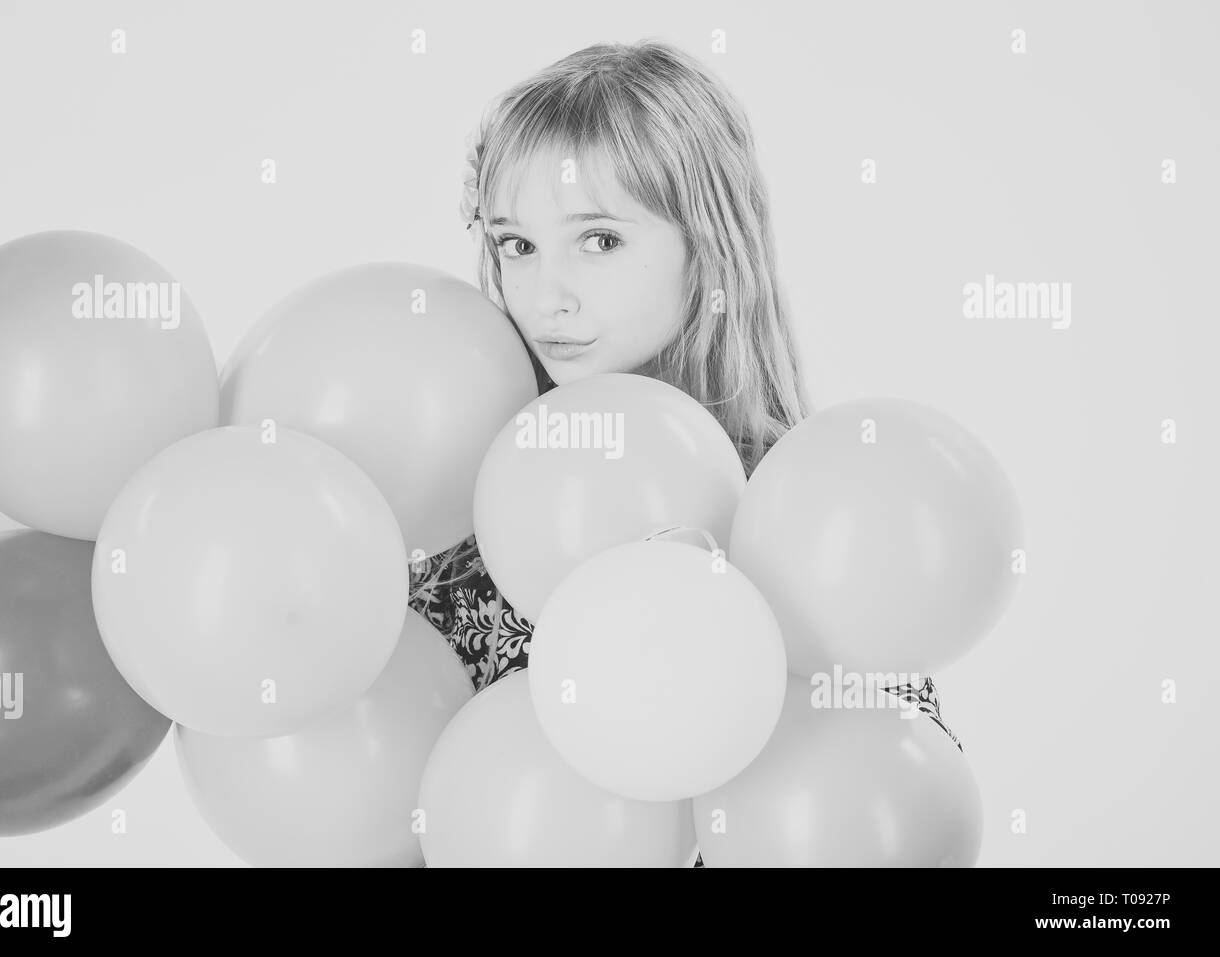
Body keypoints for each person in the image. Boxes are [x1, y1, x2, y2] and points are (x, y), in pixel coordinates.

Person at [408, 39, 961, 867]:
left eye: (598, 240)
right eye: (515, 243)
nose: (544, 295)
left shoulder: (808, 518)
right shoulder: (468, 515)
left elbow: (889, 805)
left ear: (708, 247)